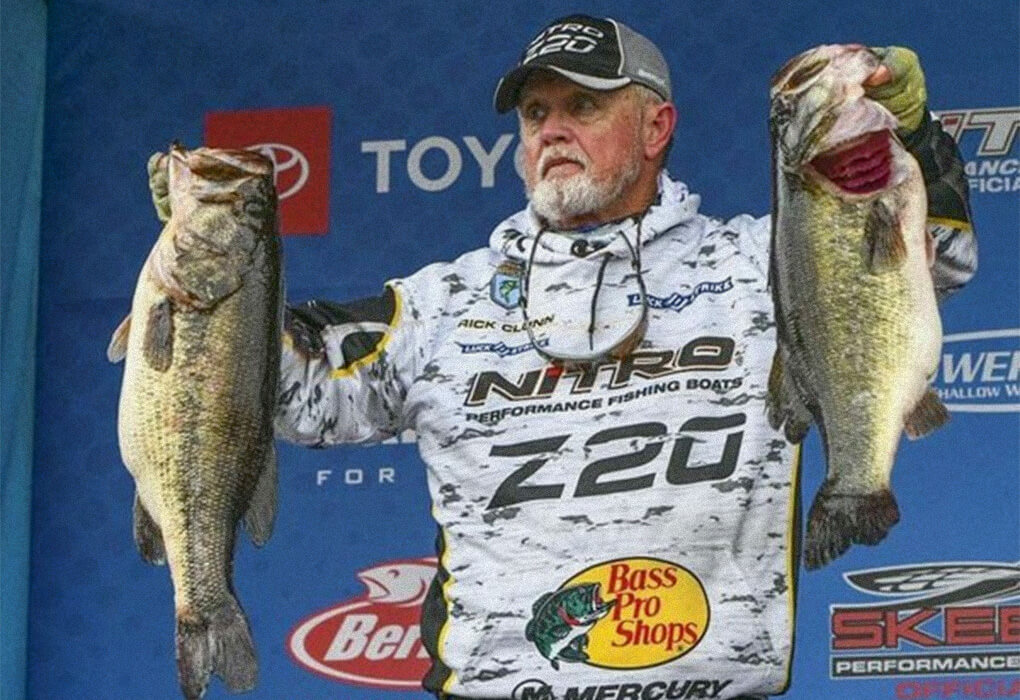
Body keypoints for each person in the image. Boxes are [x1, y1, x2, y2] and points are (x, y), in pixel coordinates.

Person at [273, 15, 976, 700]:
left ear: (655, 128)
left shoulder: (760, 262)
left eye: (583, 105)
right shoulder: (443, 304)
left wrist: (907, 131)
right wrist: (224, 277)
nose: (552, 129)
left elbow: (937, 260)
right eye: (533, 112)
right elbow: (294, 395)